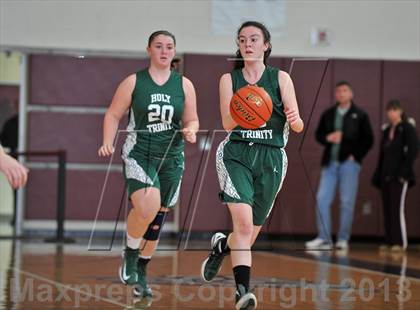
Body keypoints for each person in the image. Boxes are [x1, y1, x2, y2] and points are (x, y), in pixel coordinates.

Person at [200, 21, 304, 310]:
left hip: (272, 158)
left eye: (254, 39)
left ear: (266, 45)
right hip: (237, 155)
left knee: (247, 235)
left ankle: (222, 246)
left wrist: (294, 119)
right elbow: (227, 123)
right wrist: (250, 104)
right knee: (243, 225)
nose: (248, 44)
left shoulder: (281, 78)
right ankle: (242, 293)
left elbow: (297, 126)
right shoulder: (228, 80)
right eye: (243, 39)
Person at [98, 30, 198, 298]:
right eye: (159, 46)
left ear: (174, 51)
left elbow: (192, 119)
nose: (164, 51)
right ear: (149, 50)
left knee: (158, 218)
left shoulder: (184, 85)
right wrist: (108, 140)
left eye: (169, 47)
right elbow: (113, 113)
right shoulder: (134, 82)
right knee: (148, 204)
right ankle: (130, 252)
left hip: (172, 157)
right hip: (140, 153)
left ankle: (141, 272)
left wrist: (191, 130)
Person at [305, 81, 374, 251]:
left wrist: (355, 156)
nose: (341, 94)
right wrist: (328, 138)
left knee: (346, 202)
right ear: (335, 95)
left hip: (349, 165)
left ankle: (343, 239)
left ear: (351, 94)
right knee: (321, 199)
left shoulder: (360, 114)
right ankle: (324, 238)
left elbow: (368, 139)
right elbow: (319, 135)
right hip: (330, 164)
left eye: (345, 91)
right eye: (338, 91)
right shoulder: (329, 114)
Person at [372, 100, 418, 252]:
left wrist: (404, 173)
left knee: (397, 208)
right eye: (389, 110)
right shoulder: (387, 130)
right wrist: (379, 175)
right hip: (387, 176)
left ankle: (400, 242)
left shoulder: (407, 128)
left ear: (400, 111)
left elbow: (413, 151)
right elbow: (382, 155)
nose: (391, 113)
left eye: (394, 110)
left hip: (400, 176)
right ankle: (390, 241)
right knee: (387, 208)